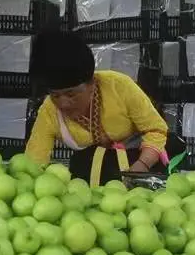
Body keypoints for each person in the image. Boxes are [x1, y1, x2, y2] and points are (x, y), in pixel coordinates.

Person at [24, 30, 185, 185]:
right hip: (92, 182)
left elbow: (155, 129)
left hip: (140, 167)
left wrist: (142, 165)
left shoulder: (119, 86)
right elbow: (35, 160)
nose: (63, 103)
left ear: (92, 83)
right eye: (55, 95)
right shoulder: (49, 110)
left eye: (71, 94)